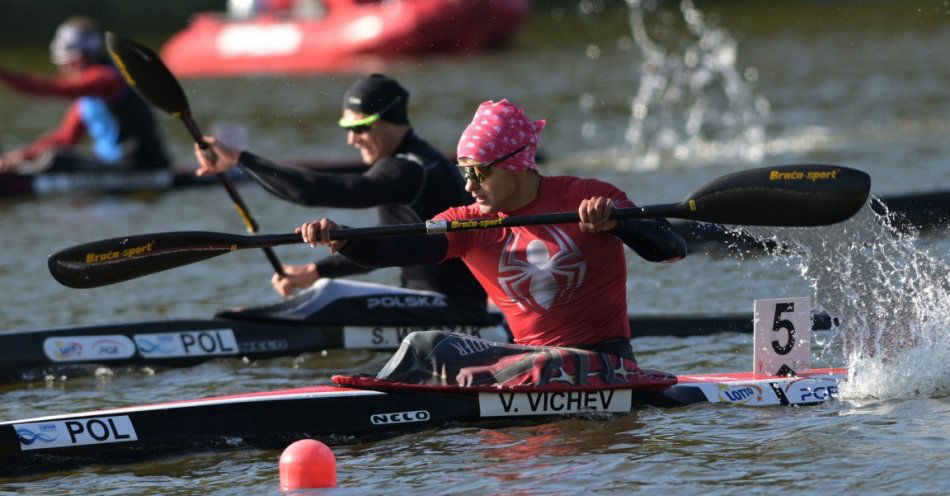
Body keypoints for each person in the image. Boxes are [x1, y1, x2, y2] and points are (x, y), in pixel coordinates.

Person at [297, 99, 687, 383]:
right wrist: (344, 240)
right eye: (463, 172)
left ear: (515, 165)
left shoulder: (585, 197)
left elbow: (671, 248)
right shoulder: (468, 222)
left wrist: (617, 224)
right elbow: (399, 248)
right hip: (528, 364)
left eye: (479, 173)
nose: (469, 187)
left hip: (606, 363)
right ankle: (375, 391)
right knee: (425, 344)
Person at [193, 73, 490, 323]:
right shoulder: (416, 163)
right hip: (438, 305)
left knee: (330, 296)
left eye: (360, 127)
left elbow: (318, 191)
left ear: (390, 119)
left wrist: (241, 159)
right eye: (347, 129)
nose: (351, 139)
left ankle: (243, 327)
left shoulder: (409, 169)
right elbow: (385, 247)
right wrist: (315, 271)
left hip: (455, 310)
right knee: (324, 289)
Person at [0, 17, 170, 173]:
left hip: (142, 166)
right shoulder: (87, 96)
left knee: (55, 160)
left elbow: (52, 88)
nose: (65, 70)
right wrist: (21, 156)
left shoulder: (106, 78)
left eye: (68, 64)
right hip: (115, 167)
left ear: (84, 57)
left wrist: (4, 75)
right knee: (51, 154)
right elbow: (65, 138)